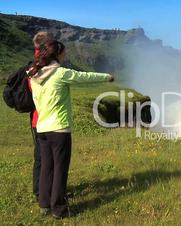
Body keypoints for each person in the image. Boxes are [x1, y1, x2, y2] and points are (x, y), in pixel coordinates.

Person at [29, 40, 114, 219]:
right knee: (60, 168)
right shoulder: (60, 73)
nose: (65, 56)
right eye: (63, 53)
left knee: (46, 166)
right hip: (59, 129)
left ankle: (44, 204)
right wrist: (106, 76)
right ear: (57, 54)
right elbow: (84, 77)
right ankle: (59, 209)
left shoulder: (34, 75)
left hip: (42, 129)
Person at [29, 31, 54, 201]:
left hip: (36, 119)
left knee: (41, 157)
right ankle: (43, 193)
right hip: (45, 119)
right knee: (46, 158)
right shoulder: (41, 67)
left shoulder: (33, 66)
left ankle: (41, 190)